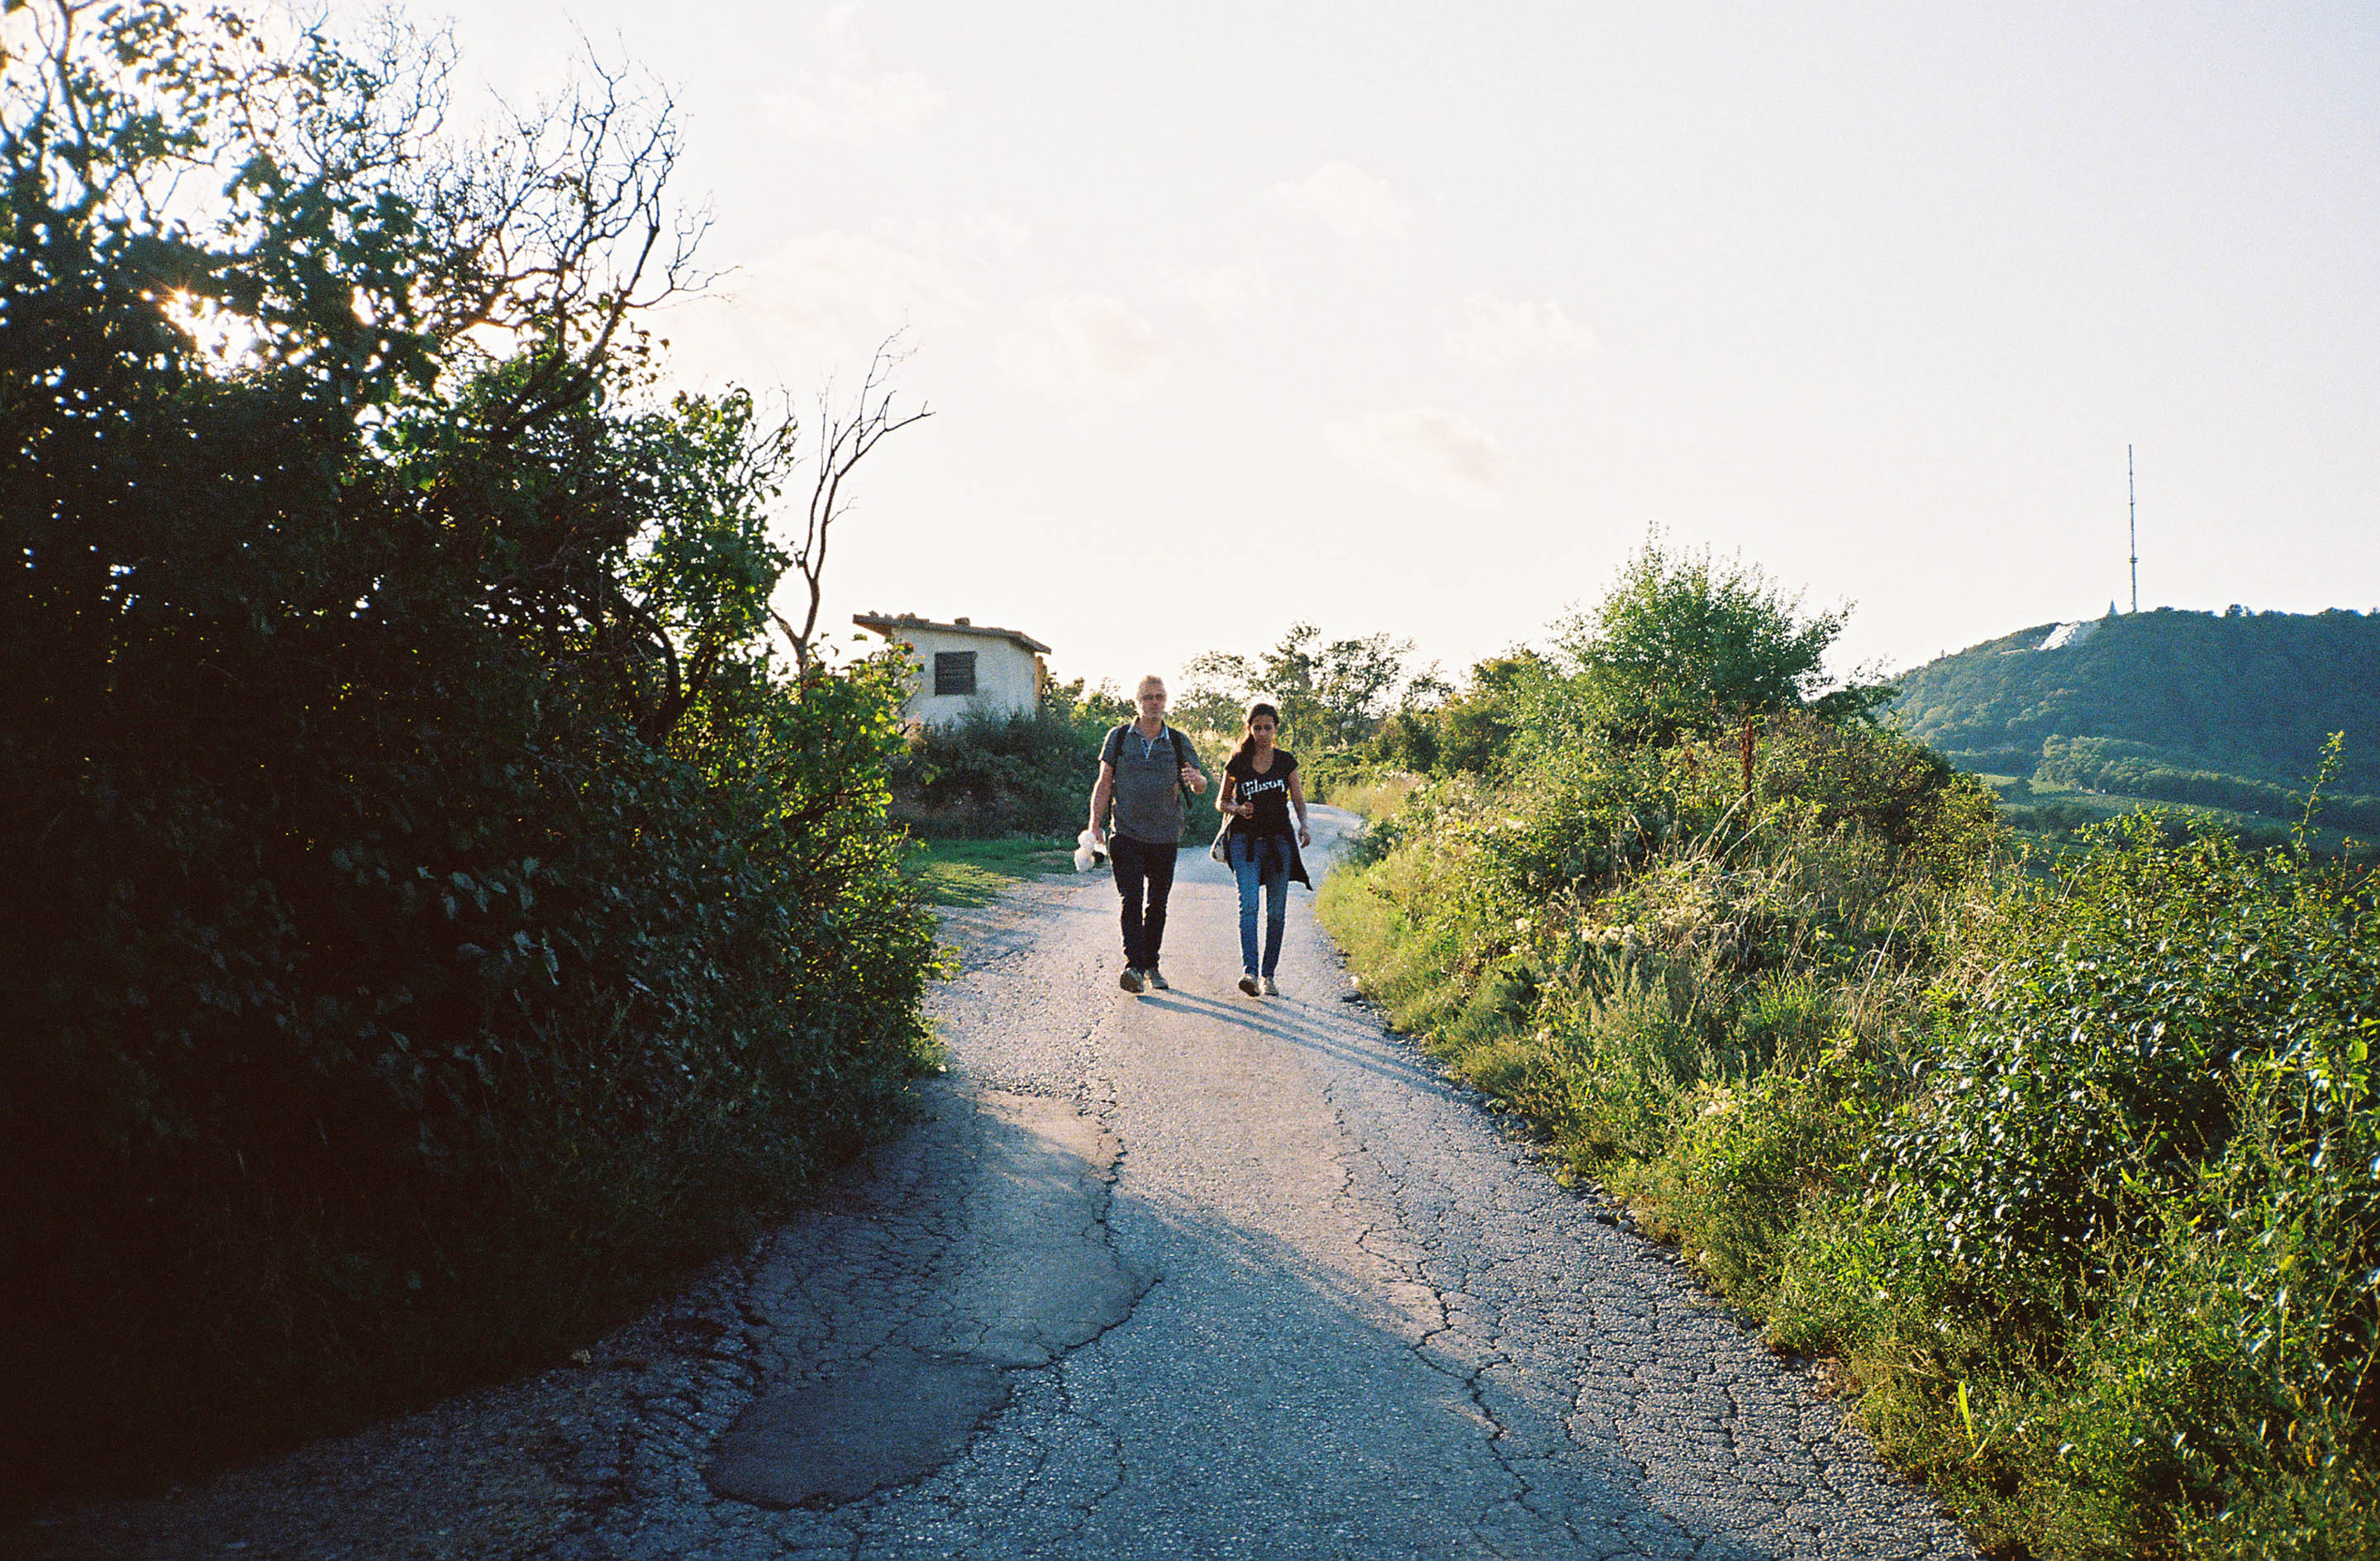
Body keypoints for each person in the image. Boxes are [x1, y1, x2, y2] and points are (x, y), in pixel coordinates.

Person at [1088, 675, 1207, 993]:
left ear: (1166, 701)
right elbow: (1104, 783)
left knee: (1157, 903)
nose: (1154, 703)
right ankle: (1134, 966)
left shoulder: (1179, 741)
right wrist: (1094, 824)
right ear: (1137, 702)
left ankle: (1151, 964)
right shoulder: (1118, 738)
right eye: (1148, 697)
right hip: (1125, 832)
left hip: (1165, 835)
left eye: (1159, 697)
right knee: (1131, 899)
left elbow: (1200, 785)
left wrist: (1196, 779)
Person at [1216, 700, 1311, 997]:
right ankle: (1250, 972)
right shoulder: (1238, 762)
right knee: (1249, 906)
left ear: (1276, 729)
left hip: (1279, 843)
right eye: (1256, 727)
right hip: (1245, 842)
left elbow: (1297, 799)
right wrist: (1237, 808)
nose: (1262, 733)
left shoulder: (1286, 761)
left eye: (1267, 727)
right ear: (1249, 728)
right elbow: (1221, 802)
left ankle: (1268, 975)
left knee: (1276, 911)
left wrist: (1304, 826)